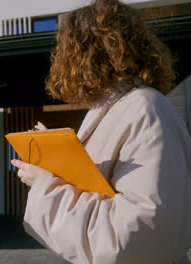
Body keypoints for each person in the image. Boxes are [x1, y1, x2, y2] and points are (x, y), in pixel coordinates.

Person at [11, 0, 191, 263]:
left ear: (84, 52)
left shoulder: (144, 108)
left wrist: (44, 185)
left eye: (63, 47)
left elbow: (141, 234)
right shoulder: (119, 108)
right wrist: (59, 159)